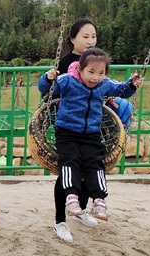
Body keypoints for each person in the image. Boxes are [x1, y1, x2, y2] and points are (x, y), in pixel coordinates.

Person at [39, 47, 143, 224]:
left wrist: (132, 84)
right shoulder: (67, 80)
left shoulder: (104, 84)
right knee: (70, 160)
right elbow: (46, 88)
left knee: (95, 163)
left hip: (91, 134)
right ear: (80, 69)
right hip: (67, 132)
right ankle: (71, 197)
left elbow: (121, 90)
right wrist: (48, 78)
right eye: (91, 72)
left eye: (101, 73)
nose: (95, 77)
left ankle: (99, 200)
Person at [50, 18, 99, 242]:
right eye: (85, 36)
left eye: (93, 36)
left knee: (91, 168)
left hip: (92, 126)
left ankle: (81, 210)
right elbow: (52, 94)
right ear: (72, 39)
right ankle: (60, 220)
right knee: (68, 171)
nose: (90, 41)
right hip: (69, 126)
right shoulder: (65, 64)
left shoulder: (96, 59)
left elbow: (103, 86)